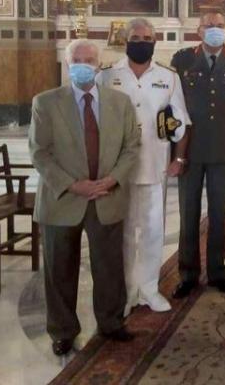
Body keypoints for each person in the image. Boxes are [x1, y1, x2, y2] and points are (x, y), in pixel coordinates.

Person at [29, 39, 141, 356]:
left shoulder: (120, 103)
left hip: (107, 195)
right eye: (76, 59)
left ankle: (111, 322)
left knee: (109, 266)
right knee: (59, 269)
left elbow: (132, 147)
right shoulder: (45, 102)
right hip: (62, 199)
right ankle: (62, 330)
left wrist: (112, 179)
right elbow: (40, 152)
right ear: (68, 64)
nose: (82, 65)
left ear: (98, 64)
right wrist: (72, 185)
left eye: (88, 60)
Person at [96, 19, 190, 315]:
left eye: (147, 38)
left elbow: (182, 122)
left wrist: (178, 159)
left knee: (152, 231)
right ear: (126, 40)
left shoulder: (168, 77)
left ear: (155, 41)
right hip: (116, 170)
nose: (142, 42)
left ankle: (149, 289)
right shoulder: (107, 76)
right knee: (123, 234)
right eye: (136, 38)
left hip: (154, 164)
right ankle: (126, 292)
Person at [171, 11, 225, 298]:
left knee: (219, 214)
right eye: (209, 26)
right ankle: (188, 274)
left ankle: (217, 272)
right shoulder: (182, 60)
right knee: (188, 214)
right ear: (199, 31)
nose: (215, 30)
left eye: (219, 26)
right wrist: (174, 153)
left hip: (222, 149)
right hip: (190, 149)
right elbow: (172, 108)